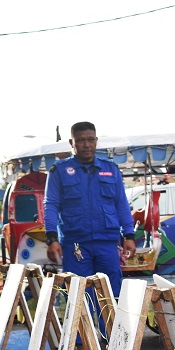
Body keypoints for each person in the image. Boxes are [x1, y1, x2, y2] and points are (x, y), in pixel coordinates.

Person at [44, 122, 135, 302]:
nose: (86, 145)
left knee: (110, 295)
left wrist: (129, 235)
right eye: (81, 140)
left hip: (107, 244)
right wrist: (52, 239)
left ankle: (108, 332)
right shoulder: (59, 171)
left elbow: (121, 204)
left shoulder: (111, 170)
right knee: (78, 298)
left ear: (96, 141)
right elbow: (51, 205)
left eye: (90, 140)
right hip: (75, 245)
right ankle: (78, 332)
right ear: (72, 142)